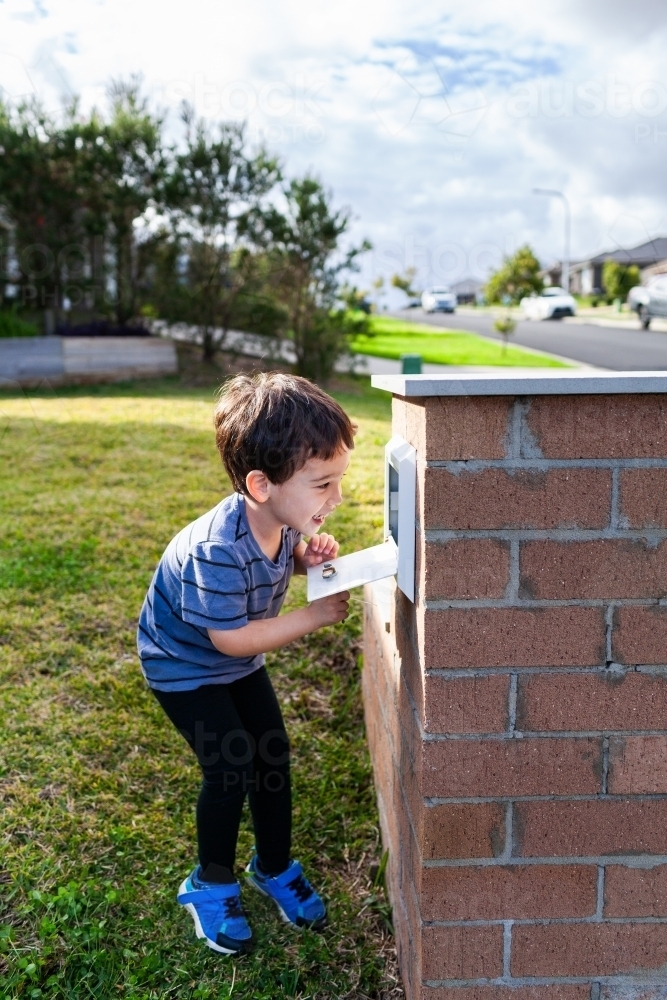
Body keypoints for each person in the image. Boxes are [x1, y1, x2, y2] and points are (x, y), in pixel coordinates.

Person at [137, 372, 355, 956]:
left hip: (234, 660)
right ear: (261, 485)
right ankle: (209, 883)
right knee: (230, 767)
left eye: (339, 481)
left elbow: (279, 567)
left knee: (272, 755)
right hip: (183, 666)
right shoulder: (217, 548)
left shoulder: (281, 521)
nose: (336, 498)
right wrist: (314, 615)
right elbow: (231, 638)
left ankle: (274, 866)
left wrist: (308, 560)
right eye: (323, 484)